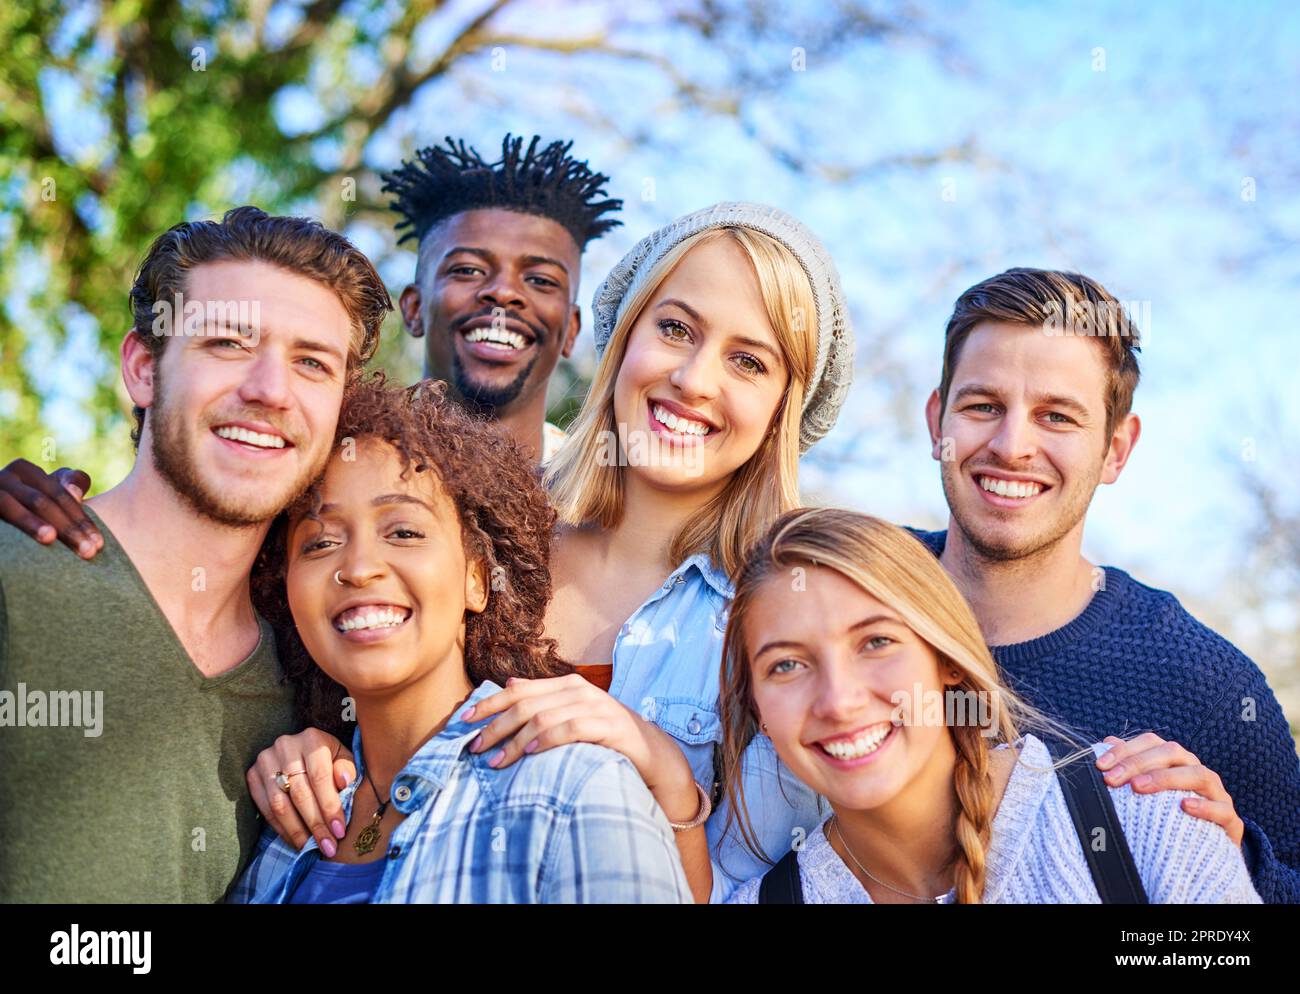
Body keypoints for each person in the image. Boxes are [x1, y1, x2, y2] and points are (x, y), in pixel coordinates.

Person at [244, 202, 856, 902]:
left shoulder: (792, 618)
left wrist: (664, 772)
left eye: (749, 362)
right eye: (676, 328)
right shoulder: (480, 538)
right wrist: (323, 753)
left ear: (785, 405)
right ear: (624, 337)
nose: (694, 378)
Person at [0, 206, 391, 901]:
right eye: (228, 344)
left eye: (310, 362)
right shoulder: (15, 575)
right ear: (145, 368)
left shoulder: (313, 683)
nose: (270, 390)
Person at [0, 132, 620, 556]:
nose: (503, 295)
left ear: (570, 330)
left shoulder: (613, 502)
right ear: (413, 308)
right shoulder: (314, 465)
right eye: (466, 270)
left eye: (539, 280)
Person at [912, 267, 1300, 902]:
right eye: (983, 406)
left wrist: (1236, 854)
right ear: (938, 422)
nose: (1012, 446)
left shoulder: (1205, 684)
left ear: (1116, 448)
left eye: (1056, 416)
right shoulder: (842, 593)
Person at [230, 375, 690, 903]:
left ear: (476, 576)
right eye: (321, 542)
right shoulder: (288, 822)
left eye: (403, 532)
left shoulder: (577, 794)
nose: (357, 568)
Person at [722, 508, 1261, 903]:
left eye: (876, 642)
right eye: (786, 666)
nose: (838, 701)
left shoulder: (1146, 821)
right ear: (760, 714)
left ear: (948, 659)